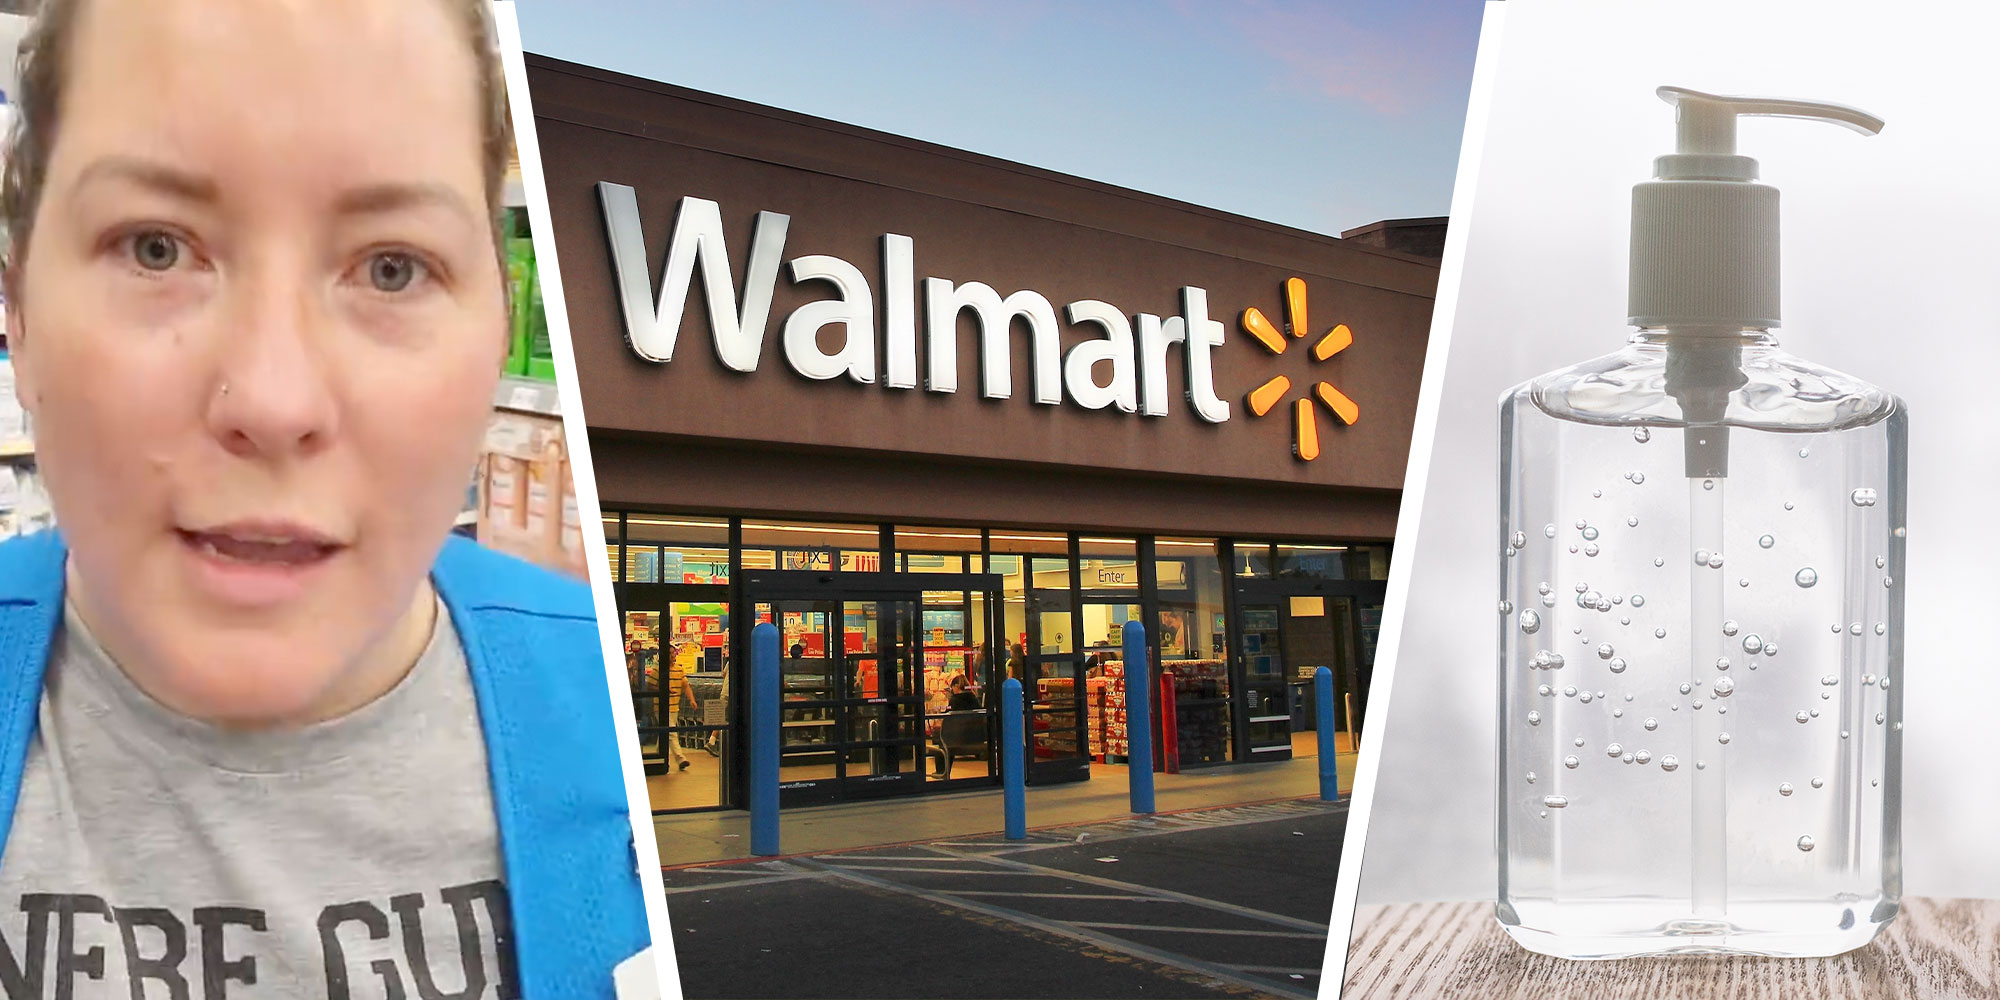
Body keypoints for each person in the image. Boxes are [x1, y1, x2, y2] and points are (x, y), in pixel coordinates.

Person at [0, 1, 650, 995]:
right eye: (155, 247)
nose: (272, 397)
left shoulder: (610, 710)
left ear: (498, 331)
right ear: (19, 314)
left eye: (391, 267)